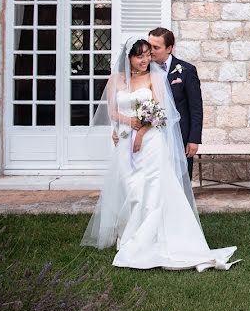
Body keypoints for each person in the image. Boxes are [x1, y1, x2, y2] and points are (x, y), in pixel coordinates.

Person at [81, 37, 237, 271]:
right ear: (129, 58)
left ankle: (150, 240)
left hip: (151, 142)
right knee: (133, 189)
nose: (145, 60)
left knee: (152, 190)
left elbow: (161, 113)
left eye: (147, 55)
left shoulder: (155, 77)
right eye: (139, 56)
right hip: (125, 141)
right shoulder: (116, 79)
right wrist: (128, 121)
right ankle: (130, 236)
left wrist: (142, 132)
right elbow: (112, 111)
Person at [147, 27, 202, 182]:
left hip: (181, 136)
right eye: (149, 45)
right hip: (152, 136)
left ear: (169, 48)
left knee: (181, 179)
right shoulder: (143, 70)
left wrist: (193, 139)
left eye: (156, 47)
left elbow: (196, 108)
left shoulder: (187, 70)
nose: (151, 51)